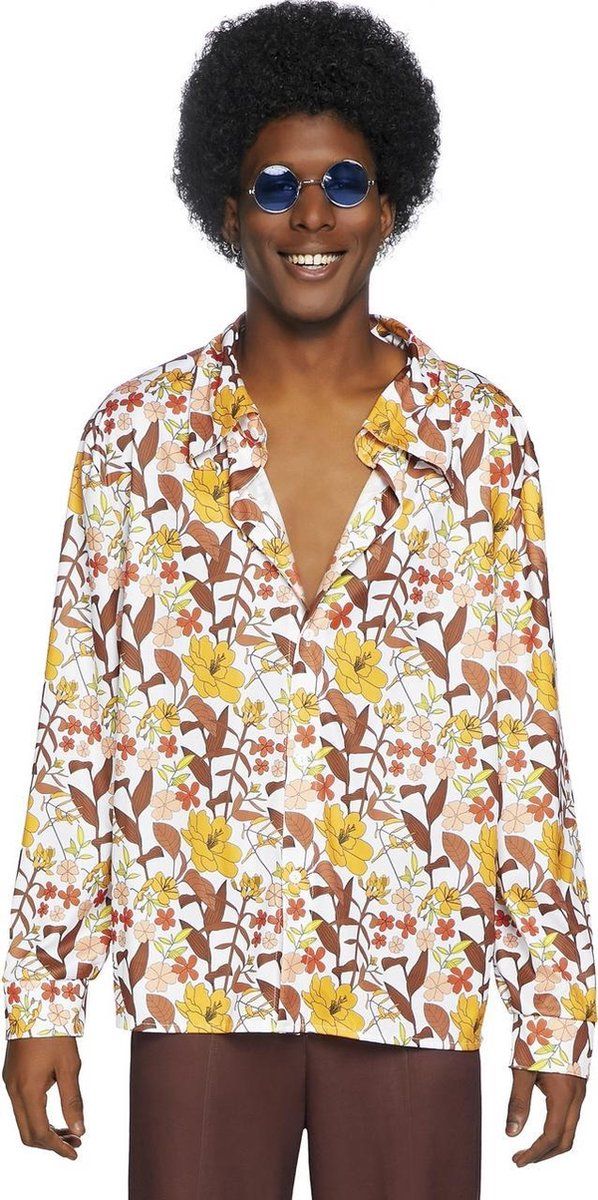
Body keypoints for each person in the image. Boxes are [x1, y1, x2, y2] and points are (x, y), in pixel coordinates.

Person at [2, 2, 596, 1197]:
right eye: (276, 186)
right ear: (227, 211)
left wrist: (554, 999)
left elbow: (521, 738)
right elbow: (80, 727)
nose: (312, 216)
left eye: (344, 183)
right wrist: (41, 995)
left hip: (413, 974)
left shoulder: (479, 442)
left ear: (389, 206)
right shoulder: (135, 440)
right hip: (198, 974)